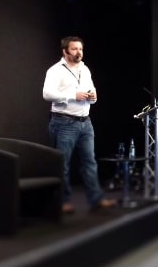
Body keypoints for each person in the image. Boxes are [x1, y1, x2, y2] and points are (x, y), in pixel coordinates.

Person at [42, 36, 116, 214]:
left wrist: (93, 97)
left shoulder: (85, 69)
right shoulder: (55, 70)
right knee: (63, 165)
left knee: (90, 162)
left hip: (85, 123)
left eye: (80, 49)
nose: (78, 52)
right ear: (65, 51)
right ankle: (62, 202)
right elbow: (47, 94)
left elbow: (92, 93)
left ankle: (96, 200)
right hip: (64, 122)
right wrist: (72, 95)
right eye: (74, 49)